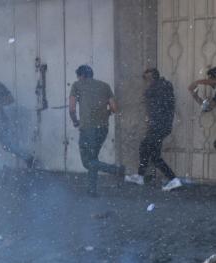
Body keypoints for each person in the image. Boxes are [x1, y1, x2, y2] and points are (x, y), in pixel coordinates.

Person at [68, 65, 123, 195]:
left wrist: (76, 121)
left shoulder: (77, 85)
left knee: (88, 162)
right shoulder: (105, 86)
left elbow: (71, 108)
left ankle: (115, 170)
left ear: (81, 76)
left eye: (78, 76)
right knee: (93, 159)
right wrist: (106, 113)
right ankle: (92, 190)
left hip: (87, 129)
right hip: (103, 128)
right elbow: (114, 108)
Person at [125, 69, 182, 191]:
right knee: (145, 147)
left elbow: (152, 103)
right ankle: (140, 176)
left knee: (154, 156)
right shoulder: (165, 86)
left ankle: (173, 180)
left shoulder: (155, 89)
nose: (145, 81)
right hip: (161, 125)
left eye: (146, 79)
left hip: (158, 126)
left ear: (151, 78)